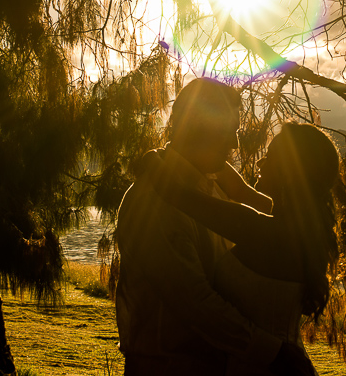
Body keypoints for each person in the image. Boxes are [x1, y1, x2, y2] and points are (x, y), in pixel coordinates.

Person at [114, 78, 317, 376]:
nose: (235, 144)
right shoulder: (155, 203)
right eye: (228, 132)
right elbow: (194, 302)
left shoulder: (209, 190)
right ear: (197, 128)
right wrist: (274, 353)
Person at [136, 122, 341, 376]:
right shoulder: (296, 228)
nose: (260, 163)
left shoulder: (263, 229)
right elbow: (239, 188)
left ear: (290, 172)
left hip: (270, 366)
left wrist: (152, 156)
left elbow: (177, 194)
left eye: (270, 157)